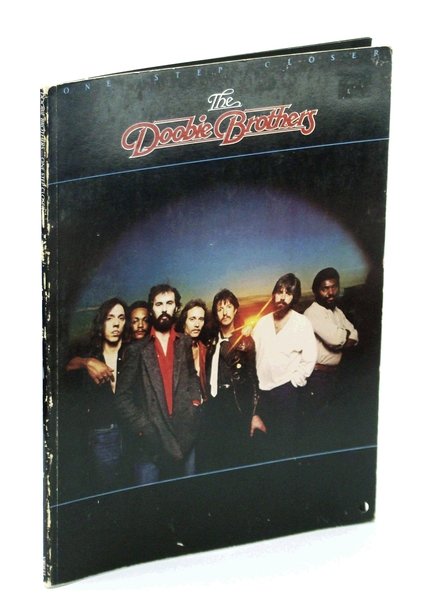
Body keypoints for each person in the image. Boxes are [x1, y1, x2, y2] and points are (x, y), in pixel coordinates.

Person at [114, 284, 202, 484]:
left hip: (185, 434)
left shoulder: (185, 342)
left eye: (169, 303)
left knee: (189, 494)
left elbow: (192, 376)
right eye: (158, 304)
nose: (164, 309)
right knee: (149, 498)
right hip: (151, 441)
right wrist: (144, 427)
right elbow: (122, 397)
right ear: (151, 308)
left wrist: (195, 404)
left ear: (176, 307)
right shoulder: (136, 350)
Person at [66, 297, 129, 494]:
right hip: (102, 434)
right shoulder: (91, 353)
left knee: (131, 490)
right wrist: (87, 362)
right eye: (110, 318)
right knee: (107, 491)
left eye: (121, 318)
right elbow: (65, 366)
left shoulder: (133, 351)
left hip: (133, 432)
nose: (116, 323)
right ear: (101, 322)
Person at [251, 273, 317, 460]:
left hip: (286, 392)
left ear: (294, 297)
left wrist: (293, 383)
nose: (282, 297)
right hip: (262, 393)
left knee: (285, 445)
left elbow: (310, 358)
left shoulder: (302, 323)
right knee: (262, 446)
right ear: (273, 294)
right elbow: (252, 355)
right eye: (279, 292)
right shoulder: (262, 323)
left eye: (288, 293)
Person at [204, 289, 266, 471]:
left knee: (239, 455)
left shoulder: (246, 341)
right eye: (220, 309)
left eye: (228, 307)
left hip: (237, 403)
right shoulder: (211, 341)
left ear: (235, 309)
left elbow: (255, 379)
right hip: (214, 404)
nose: (225, 313)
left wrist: (255, 413)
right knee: (217, 456)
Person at [304, 267, 358, 412]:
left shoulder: (337, 311)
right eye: (325, 289)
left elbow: (355, 335)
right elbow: (335, 340)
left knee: (335, 415)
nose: (330, 292)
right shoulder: (312, 313)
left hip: (335, 374)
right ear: (316, 291)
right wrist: (344, 336)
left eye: (334, 287)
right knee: (319, 418)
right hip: (317, 377)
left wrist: (344, 336)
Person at [176, 299, 209, 399]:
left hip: (202, 404)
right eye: (192, 319)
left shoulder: (204, 350)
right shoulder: (173, 348)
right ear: (183, 322)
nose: (197, 324)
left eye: (201, 319)